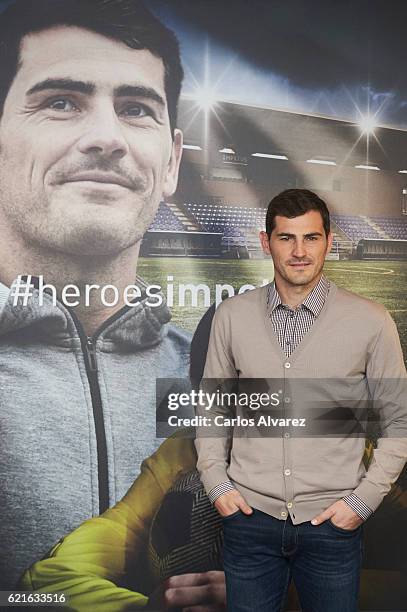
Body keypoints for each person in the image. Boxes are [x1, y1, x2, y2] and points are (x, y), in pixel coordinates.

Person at [0, 0, 192, 589]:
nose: (107, 137)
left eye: (136, 109)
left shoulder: (219, 380)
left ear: (171, 163)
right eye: (61, 101)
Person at [194, 189, 407, 611]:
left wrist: (361, 503)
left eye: (311, 238)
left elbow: (400, 422)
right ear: (265, 242)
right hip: (249, 521)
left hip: (333, 526)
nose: (299, 251)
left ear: (329, 241)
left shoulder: (371, 320)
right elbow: (212, 408)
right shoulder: (232, 316)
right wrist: (217, 484)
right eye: (286, 238)